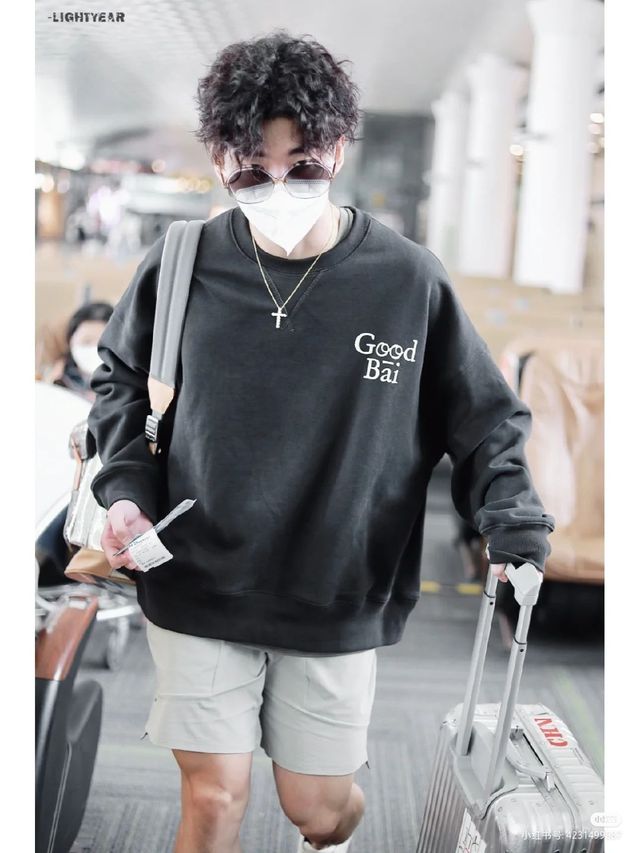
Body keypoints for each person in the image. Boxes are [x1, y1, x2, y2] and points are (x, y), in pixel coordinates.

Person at [86, 30, 555, 853]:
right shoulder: (181, 262)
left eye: (301, 166)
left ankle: (331, 822)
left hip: (335, 584)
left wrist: (513, 518)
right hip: (198, 572)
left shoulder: (406, 279)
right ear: (218, 159)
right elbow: (120, 379)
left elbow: (485, 416)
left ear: (339, 149)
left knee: (316, 806)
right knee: (213, 796)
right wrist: (125, 491)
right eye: (249, 171)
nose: (276, 188)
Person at [51, 301, 113, 401]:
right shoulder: (54, 381)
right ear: (70, 340)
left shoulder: (128, 388)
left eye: (102, 342)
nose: (94, 348)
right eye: (87, 341)